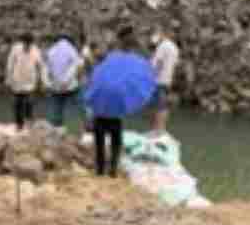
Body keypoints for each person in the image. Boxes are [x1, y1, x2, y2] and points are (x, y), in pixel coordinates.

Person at [84, 28, 157, 178]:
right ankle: (112, 170)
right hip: (115, 112)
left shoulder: (107, 61)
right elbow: (136, 77)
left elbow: (95, 79)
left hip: (100, 109)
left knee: (99, 142)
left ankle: (100, 170)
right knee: (116, 140)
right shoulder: (133, 62)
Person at [43, 33, 83, 128]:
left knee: (57, 108)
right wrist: (66, 81)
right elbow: (77, 66)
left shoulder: (51, 51)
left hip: (56, 86)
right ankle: (90, 126)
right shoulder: (71, 49)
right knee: (81, 105)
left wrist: (47, 84)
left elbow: (46, 69)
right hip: (70, 85)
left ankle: (57, 127)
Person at [5, 32, 42, 130]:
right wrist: (8, 79)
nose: (27, 45)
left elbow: (40, 66)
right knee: (17, 103)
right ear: (22, 42)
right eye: (25, 43)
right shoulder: (16, 49)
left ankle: (29, 121)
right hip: (17, 81)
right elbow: (10, 64)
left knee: (29, 102)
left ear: (31, 43)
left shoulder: (36, 51)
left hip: (30, 81)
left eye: (29, 44)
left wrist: (42, 80)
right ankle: (19, 124)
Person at [149, 28, 181, 135]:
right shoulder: (175, 48)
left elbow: (157, 63)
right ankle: (161, 129)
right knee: (163, 105)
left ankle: (157, 130)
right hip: (167, 80)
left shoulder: (163, 46)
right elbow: (175, 65)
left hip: (158, 80)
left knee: (158, 106)